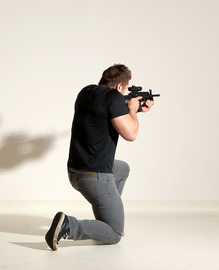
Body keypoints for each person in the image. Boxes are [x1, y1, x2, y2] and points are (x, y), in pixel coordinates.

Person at [45, 64, 154, 251]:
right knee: (114, 233)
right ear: (120, 87)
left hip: (75, 172)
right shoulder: (114, 98)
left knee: (122, 168)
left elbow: (107, 114)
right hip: (95, 176)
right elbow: (131, 134)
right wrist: (133, 112)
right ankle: (70, 225)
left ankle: (108, 215)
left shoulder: (85, 92)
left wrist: (133, 110)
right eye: (125, 89)